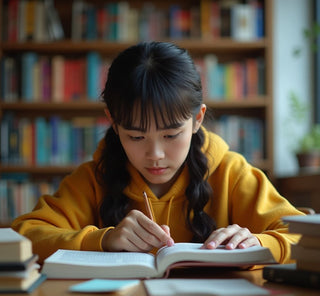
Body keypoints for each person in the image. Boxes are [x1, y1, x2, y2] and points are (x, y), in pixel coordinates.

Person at [12, 41, 304, 264]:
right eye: (136, 136)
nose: (155, 154)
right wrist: (103, 240)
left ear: (197, 119)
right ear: (113, 123)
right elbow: (24, 236)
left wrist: (261, 241)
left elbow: (303, 237)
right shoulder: (93, 178)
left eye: (171, 135)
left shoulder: (231, 173)